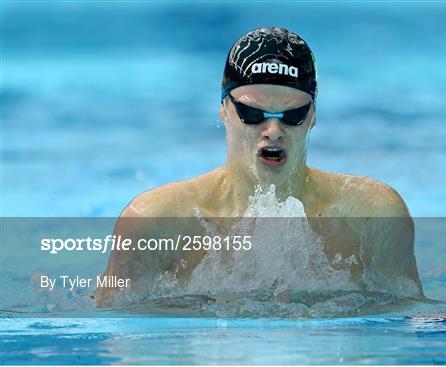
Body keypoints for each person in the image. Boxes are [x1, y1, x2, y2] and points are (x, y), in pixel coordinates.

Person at [95, 27, 423, 307]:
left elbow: (405, 323)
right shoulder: (156, 220)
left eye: (292, 115)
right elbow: (119, 331)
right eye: (253, 114)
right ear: (224, 110)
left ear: (313, 116)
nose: (273, 130)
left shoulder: (370, 215)